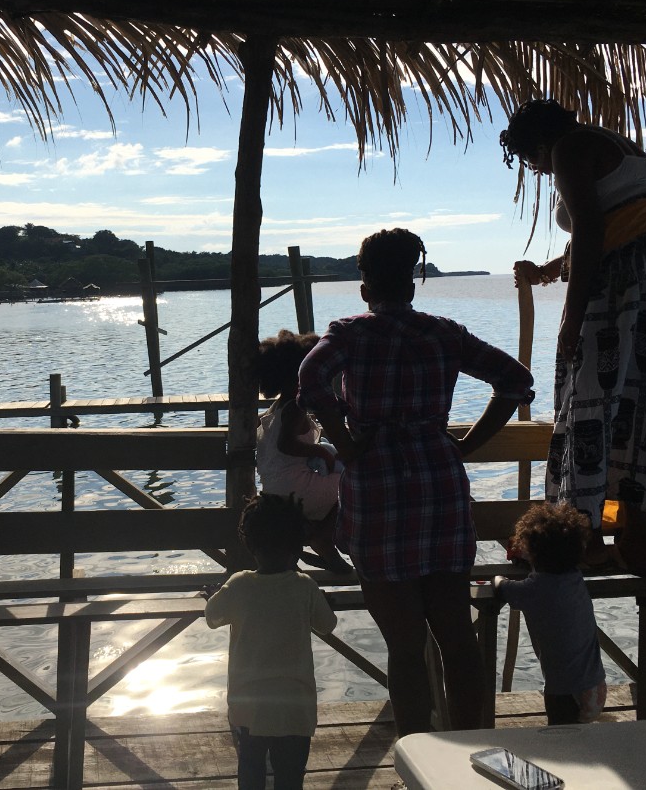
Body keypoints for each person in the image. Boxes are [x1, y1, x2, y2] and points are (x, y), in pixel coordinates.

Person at [297, 227, 534, 736]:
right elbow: (515, 381)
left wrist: (344, 435)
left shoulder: (348, 334)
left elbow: (309, 381)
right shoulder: (444, 333)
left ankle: (417, 754)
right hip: (439, 487)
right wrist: (468, 443)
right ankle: (469, 747)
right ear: (412, 280)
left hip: (377, 492)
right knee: (456, 635)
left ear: (365, 286)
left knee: (404, 648)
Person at [501, 99, 646, 575]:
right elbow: (615, 219)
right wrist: (545, 272)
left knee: (596, 394)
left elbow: (591, 227)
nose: (538, 171)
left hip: (641, 276)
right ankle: (638, 530)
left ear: (539, 144)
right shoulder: (608, 143)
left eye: (530, 161)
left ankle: (596, 535)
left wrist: (571, 314)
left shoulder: (569, 148)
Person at [204, 493, 338, 790]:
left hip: (249, 709)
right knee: (290, 778)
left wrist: (215, 594)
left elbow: (212, 617)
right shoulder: (305, 587)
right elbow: (328, 625)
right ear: (296, 546)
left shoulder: (238, 584)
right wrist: (323, 602)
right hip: (296, 709)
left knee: (251, 773)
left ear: (249, 543)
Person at [495, 504, 608, 725]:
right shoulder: (574, 578)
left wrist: (496, 578)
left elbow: (502, 588)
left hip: (565, 691)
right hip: (596, 684)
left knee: (561, 739)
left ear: (533, 552)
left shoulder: (534, 589)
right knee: (579, 740)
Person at [256, 329, 352, 574]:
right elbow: (286, 445)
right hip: (293, 487)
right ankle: (323, 539)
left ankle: (308, 540)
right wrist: (323, 454)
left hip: (273, 489)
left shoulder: (275, 409)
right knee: (349, 484)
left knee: (326, 486)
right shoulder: (296, 408)